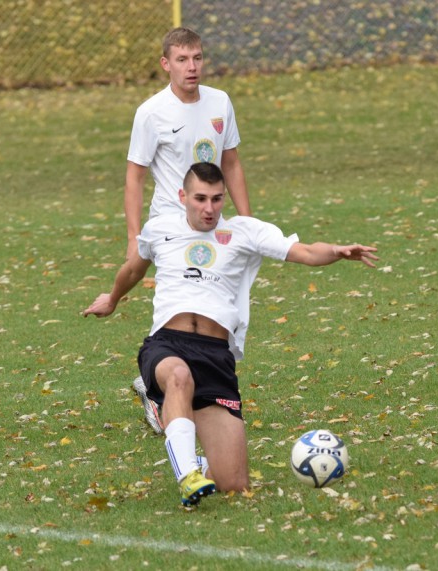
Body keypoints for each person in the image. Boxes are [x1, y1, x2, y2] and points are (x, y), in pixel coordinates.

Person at [84, 162, 376, 506]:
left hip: (215, 356)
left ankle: (201, 467)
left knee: (234, 483)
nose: (209, 208)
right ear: (183, 196)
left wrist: (338, 253)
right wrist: (113, 298)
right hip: (167, 344)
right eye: (201, 199)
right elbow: (133, 268)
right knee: (178, 376)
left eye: (217, 199)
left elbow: (306, 252)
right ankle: (187, 473)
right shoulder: (159, 228)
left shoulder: (244, 232)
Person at [125, 27, 253, 435]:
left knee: (220, 301)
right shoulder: (151, 112)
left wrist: (247, 222)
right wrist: (134, 236)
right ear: (166, 64)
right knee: (178, 303)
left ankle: (184, 381)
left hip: (211, 220)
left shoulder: (220, 102)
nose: (191, 67)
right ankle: (158, 383)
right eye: (182, 59)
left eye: (196, 58)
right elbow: (134, 177)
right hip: (170, 226)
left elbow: (230, 162)